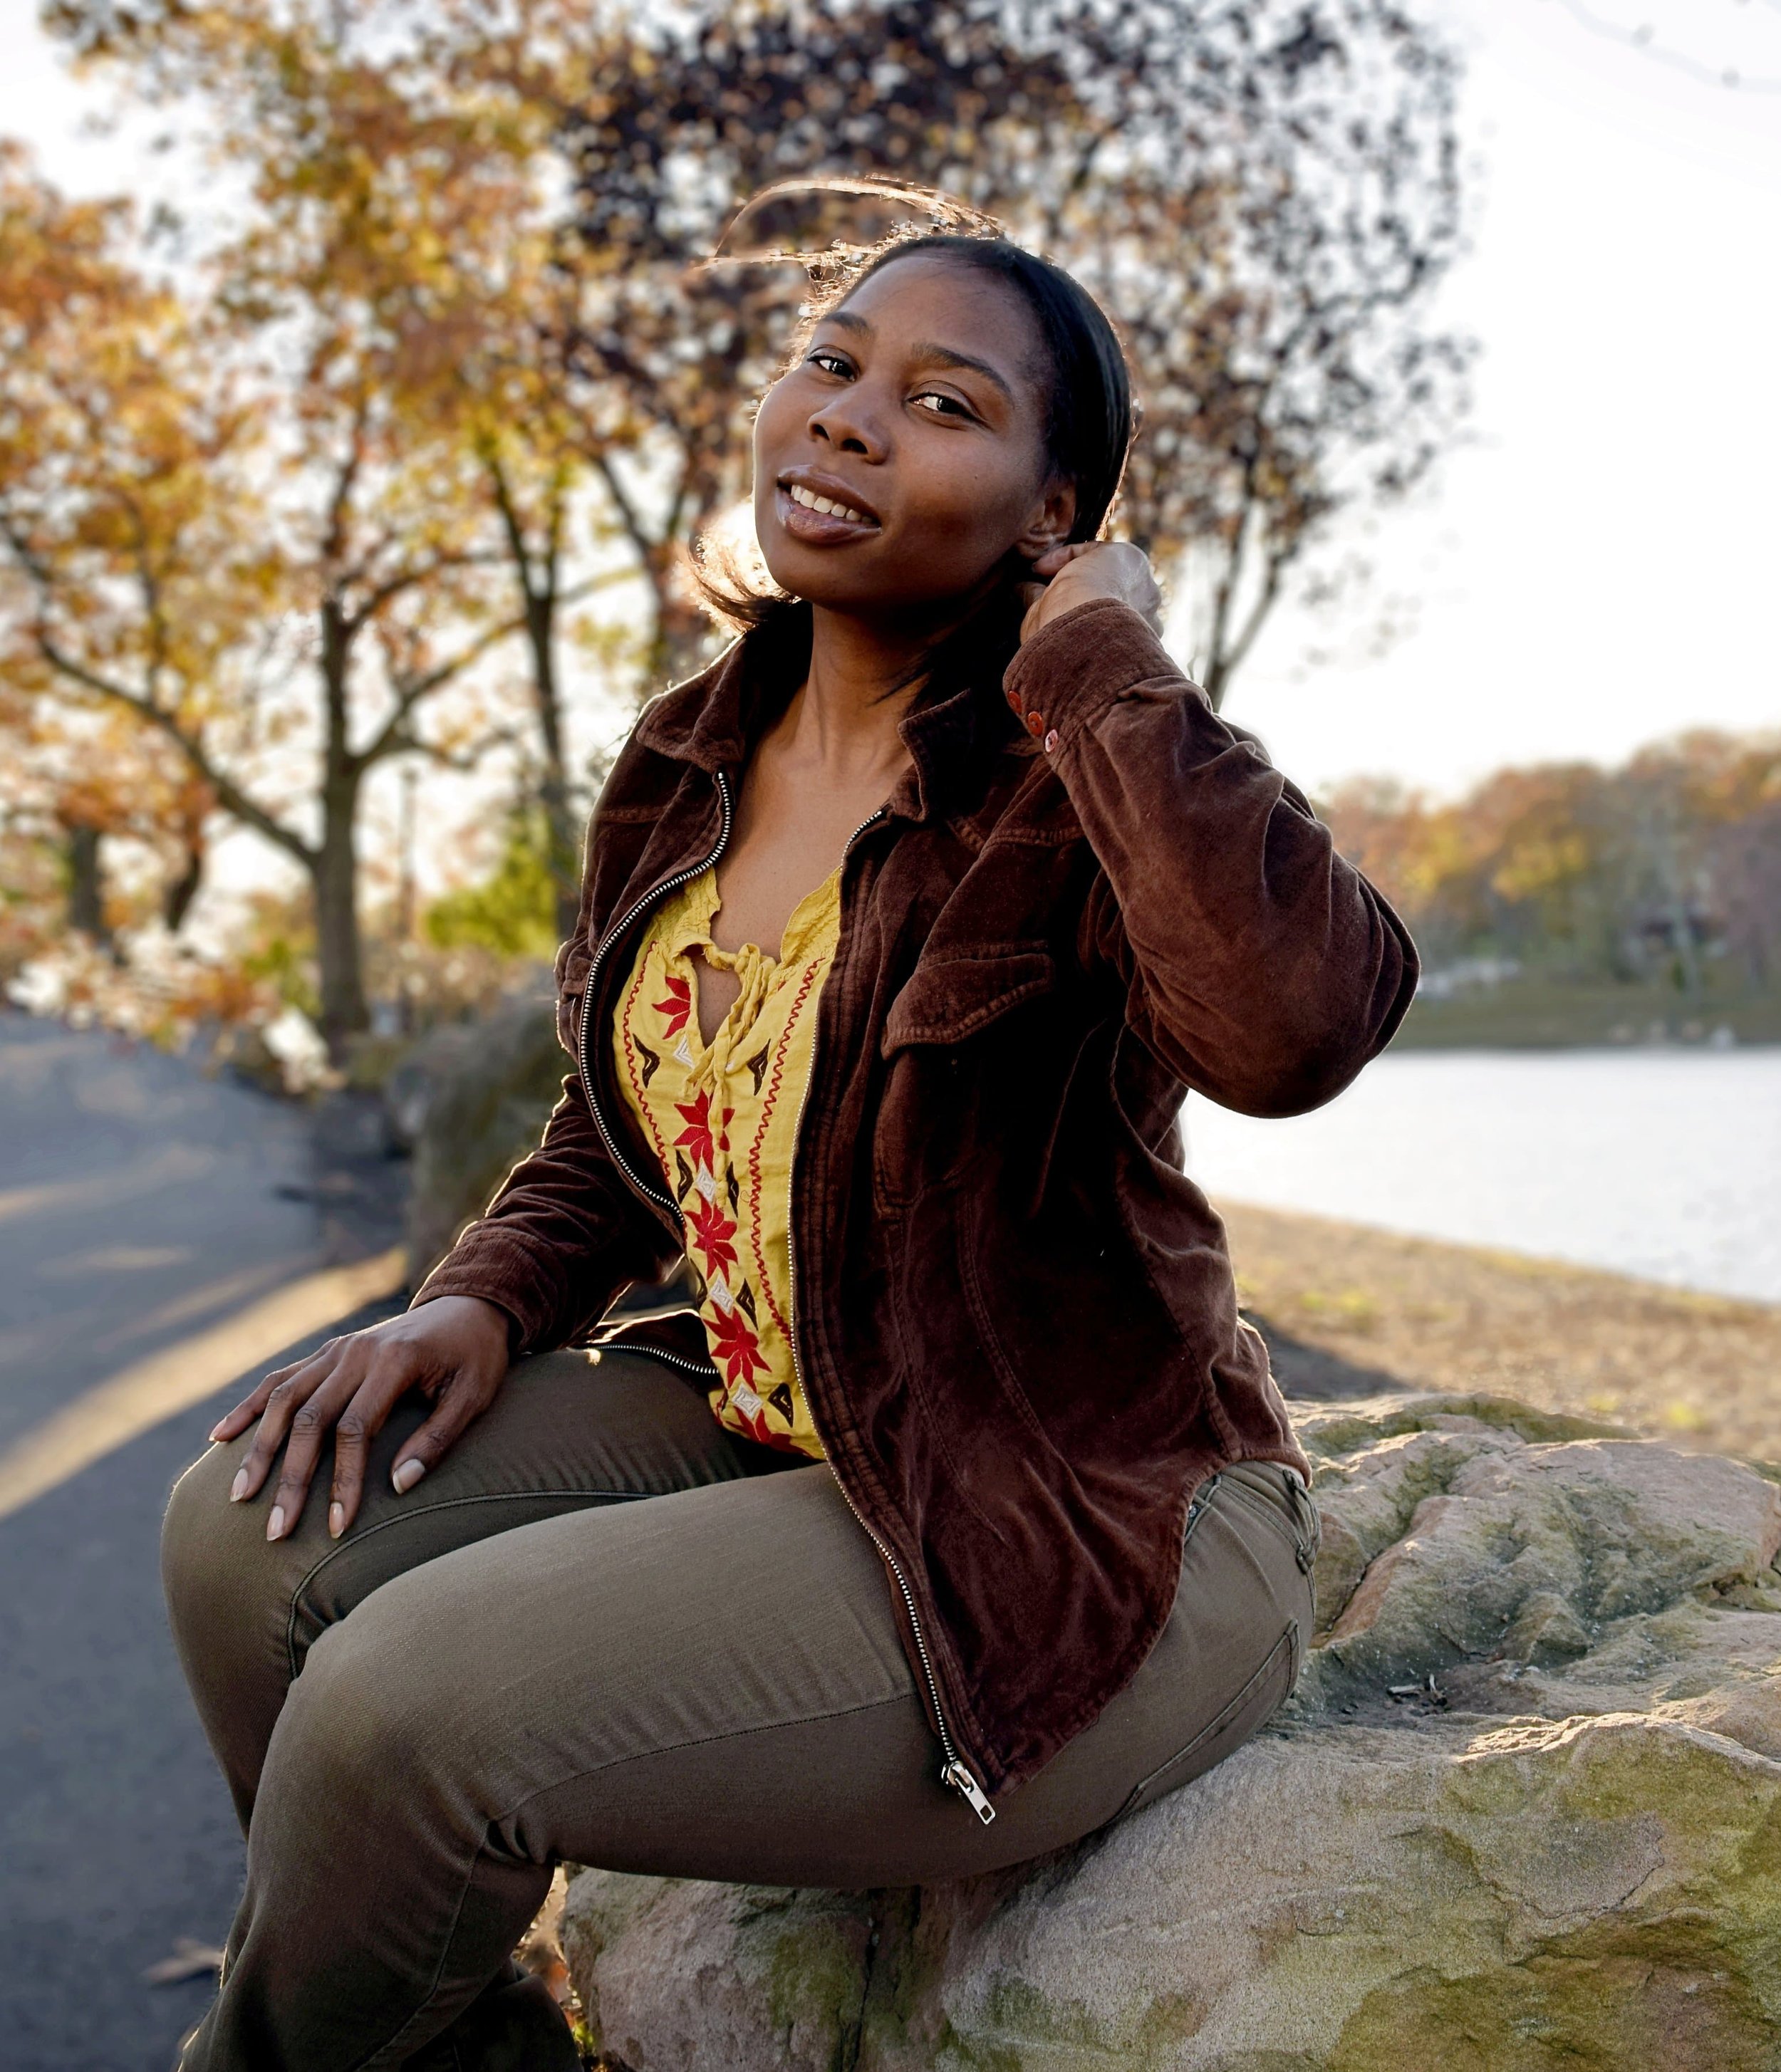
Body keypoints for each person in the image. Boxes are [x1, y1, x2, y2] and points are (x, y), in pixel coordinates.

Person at [161, 209, 1416, 2071]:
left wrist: (1102, 666)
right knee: (246, 1536)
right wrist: (484, 1305)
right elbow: (618, 1122)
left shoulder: (1078, 786)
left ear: (1046, 505)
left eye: (939, 401)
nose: (846, 418)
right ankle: (448, 2040)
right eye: (830, 363)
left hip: (1064, 1506)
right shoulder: (687, 749)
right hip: (771, 1412)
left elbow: (1295, 1027)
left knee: (397, 1708)